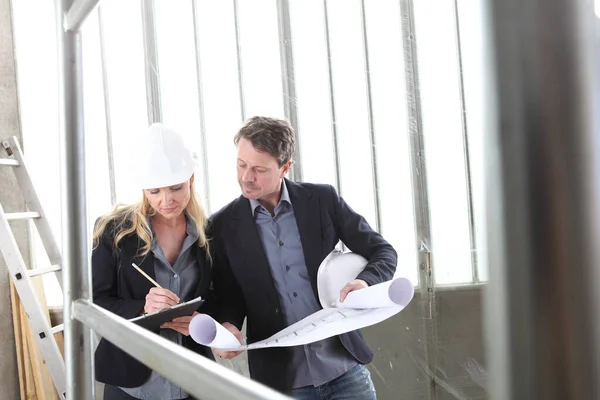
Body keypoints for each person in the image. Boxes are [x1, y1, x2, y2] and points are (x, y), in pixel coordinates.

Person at [209, 116, 397, 399]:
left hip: (345, 370)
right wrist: (226, 326)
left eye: (259, 169)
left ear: (285, 168)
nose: (247, 177)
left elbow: (383, 252)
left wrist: (364, 282)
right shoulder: (222, 226)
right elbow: (229, 295)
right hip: (281, 383)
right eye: (241, 164)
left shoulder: (322, 200)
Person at [92, 123, 214, 400]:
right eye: (154, 191)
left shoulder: (207, 233)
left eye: (175, 188)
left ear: (191, 179)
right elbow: (96, 303)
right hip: (131, 384)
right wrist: (143, 308)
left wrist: (203, 321)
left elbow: (216, 297)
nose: (166, 200)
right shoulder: (114, 230)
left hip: (192, 380)